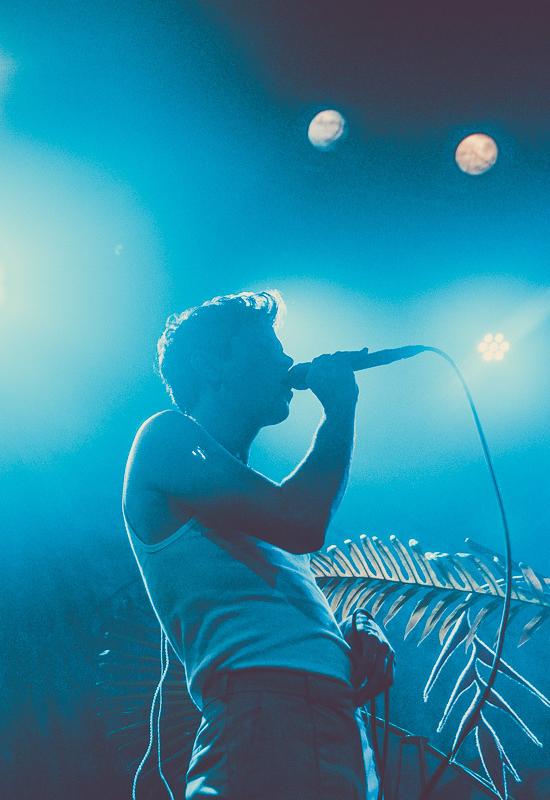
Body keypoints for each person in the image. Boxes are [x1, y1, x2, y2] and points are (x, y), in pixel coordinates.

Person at [122, 290, 394, 799]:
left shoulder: (253, 507)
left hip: (329, 719)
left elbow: (278, 587)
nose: (288, 361)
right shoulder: (164, 437)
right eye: (268, 348)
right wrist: (338, 413)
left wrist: (352, 629)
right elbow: (303, 520)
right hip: (267, 712)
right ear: (210, 365)